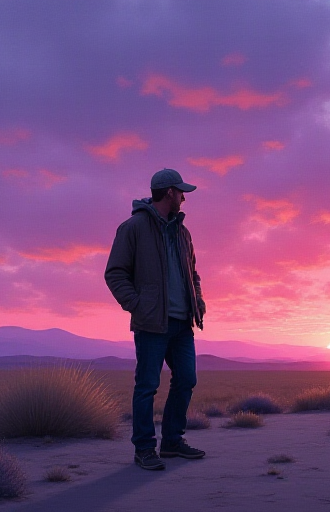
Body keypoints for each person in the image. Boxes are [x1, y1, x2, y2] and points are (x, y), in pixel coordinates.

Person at [105, 168, 207, 470]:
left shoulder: (182, 232)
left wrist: (198, 301)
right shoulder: (133, 228)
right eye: (180, 192)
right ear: (168, 193)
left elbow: (194, 272)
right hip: (152, 323)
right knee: (147, 385)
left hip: (182, 322)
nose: (184, 198)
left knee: (186, 379)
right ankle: (144, 449)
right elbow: (115, 273)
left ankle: (172, 442)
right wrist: (137, 305)